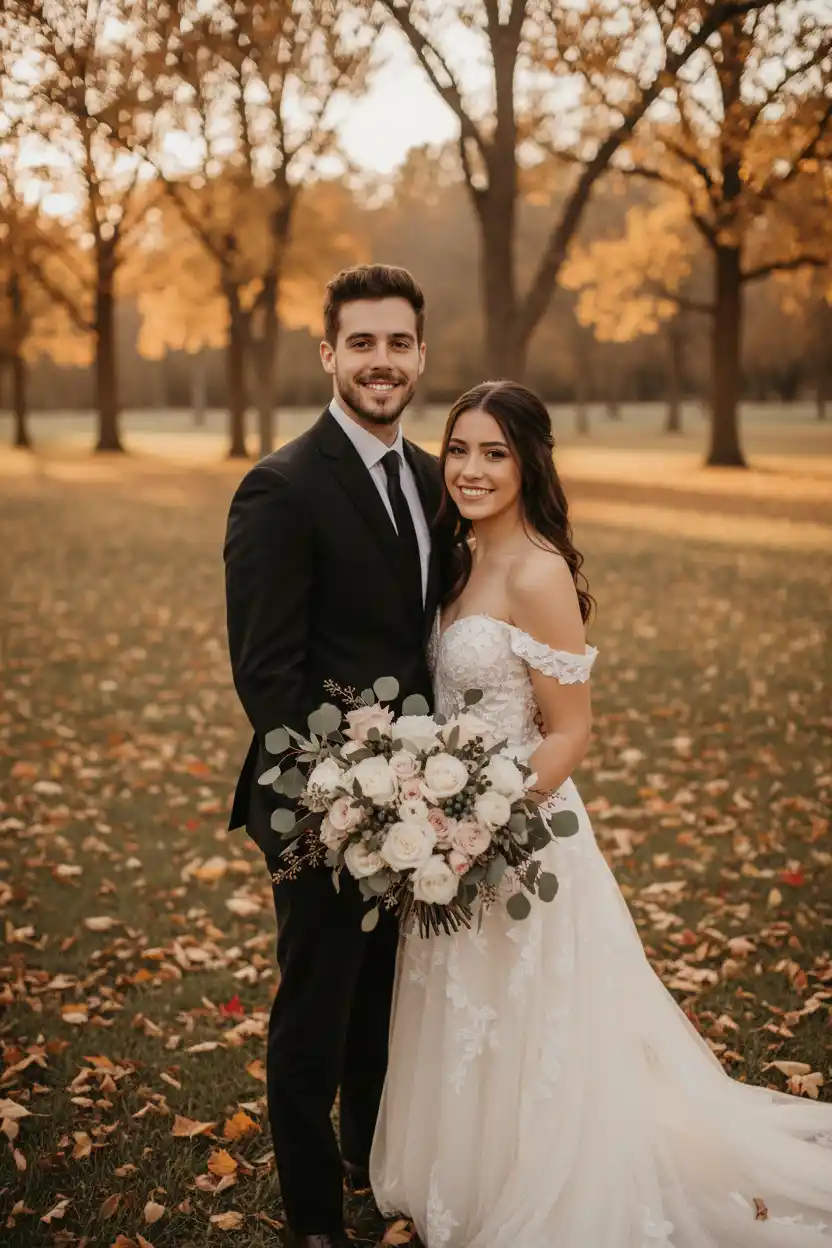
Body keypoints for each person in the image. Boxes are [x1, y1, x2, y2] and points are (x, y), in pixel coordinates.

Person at [370, 380, 832, 1248]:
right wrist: (430, 815)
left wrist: (483, 823)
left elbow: (572, 731)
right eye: (459, 449)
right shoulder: (454, 557)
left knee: (530, 1018)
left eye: (494, 453)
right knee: (466, 1011)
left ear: (530, 462)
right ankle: (465, 1172)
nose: (469, 469)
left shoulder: (539, 573)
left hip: (520, 837)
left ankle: (544, 1180)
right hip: (443, 834)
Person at [223, 265, 443, 1248]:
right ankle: (315, 1219)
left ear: (421, 355)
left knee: (384, 1005)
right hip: (318, 804)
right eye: (361, 343)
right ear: (328, 355)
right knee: (316, 1010)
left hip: (430, 803)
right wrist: (352, 788)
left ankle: (369, 1165)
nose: (381, 361)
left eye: (398, 342)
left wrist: (434, 785)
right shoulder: (279, 487)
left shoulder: (438, 478)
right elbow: (267, 681)